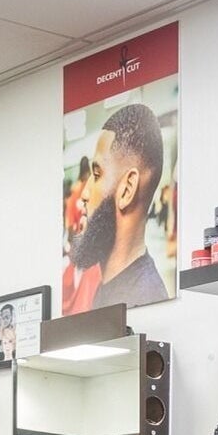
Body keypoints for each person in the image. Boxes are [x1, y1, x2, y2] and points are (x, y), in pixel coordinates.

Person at [61, 103, 172, 314]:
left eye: (97, 175)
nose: (83, 195)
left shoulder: (144, 297)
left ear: (127, 189)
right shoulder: (107, 287)